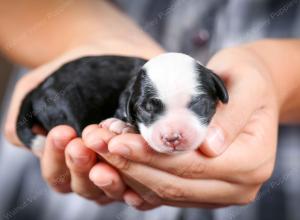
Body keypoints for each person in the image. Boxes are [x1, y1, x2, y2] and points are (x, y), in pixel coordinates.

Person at [1, 0, 300, 219]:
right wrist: (83, 39)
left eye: (195, 105)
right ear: (129, 107)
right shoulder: (123, 97)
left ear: (221, 92)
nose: (172, 132)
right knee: (76, 140)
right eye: (151, 109)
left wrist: (277, 78)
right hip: (51, 197)